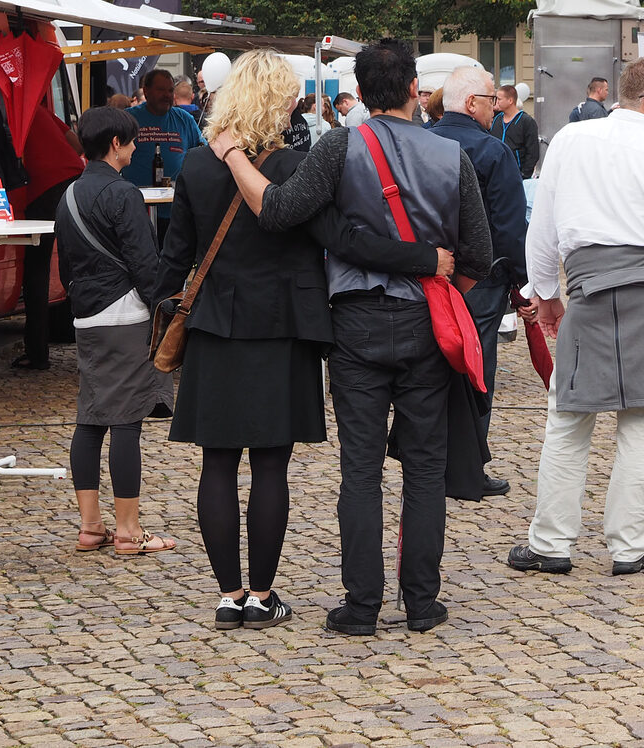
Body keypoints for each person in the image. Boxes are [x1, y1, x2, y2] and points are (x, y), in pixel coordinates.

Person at [209, 39, 492, 635]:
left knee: (360, 471)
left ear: (358, 94)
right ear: (417, 89)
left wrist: (233, 153)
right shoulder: (450, 156)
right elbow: (480, 254)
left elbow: (281, 211)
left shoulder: (340, 146)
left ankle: (361, 605)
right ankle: (421, 601)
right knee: (423, 467)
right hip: (426, 322)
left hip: (357, 322)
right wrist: (441, 282)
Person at [162, 51, 444, 632]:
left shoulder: (195, 165)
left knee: (217, 463)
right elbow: (338, 238)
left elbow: (177, 258)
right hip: (286, 327)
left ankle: (228, 594)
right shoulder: (299, 165)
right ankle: (262, 595)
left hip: (216, 323)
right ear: (278, 102)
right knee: (270, 465)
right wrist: (421, 260)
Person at [507, 58, 644, 577]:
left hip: (588, 286)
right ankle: (628, 548)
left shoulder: (570, 142)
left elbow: (543, 225)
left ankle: (550, 543)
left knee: (568, 420)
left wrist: (546, 292)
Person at [56, 106, 175, 558]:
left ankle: (91, 527)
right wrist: (163, 313)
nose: (134, 146)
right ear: (114, 145)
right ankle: (128, 532)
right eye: (129, 141)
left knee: (90, 418)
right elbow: (147, 266)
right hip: (126, 314)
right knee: (126, 421)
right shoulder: (124, 194)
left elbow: (66, 263)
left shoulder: (67, 194)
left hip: (86, 315)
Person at [427, 64, 531, 500]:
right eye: (491, 99)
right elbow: (508, 226)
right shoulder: (492, 151)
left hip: (426, 273)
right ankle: (468, 468)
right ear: (472, 104)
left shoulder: (420, 143)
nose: (496, 107)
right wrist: (521, 284)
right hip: (478, 279)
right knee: (476, 370)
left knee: (432, 370)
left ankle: (431, 461)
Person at [14, 101, 84, 371]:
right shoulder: (38, 109)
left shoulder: (12, 112)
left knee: (36, 271)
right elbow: (76, 145)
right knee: (81, 261)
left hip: (42, 190)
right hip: (74, 180)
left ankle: (37, 353)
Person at [121, 68, 205, 246]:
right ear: (146, 91)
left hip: (175, 211)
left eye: (170, 90)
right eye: (161, 90)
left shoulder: (184, 119)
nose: (166, 95)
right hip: (137, 211)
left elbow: (202, 151)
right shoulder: (129, 120)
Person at [490, 84, 540, 178]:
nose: (496, 102)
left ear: (510, 100)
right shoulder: (496, 120)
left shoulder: (526, 121)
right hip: (496, 175)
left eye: (499, 99)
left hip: (517, 176)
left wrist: (524, 175)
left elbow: (533, 152)